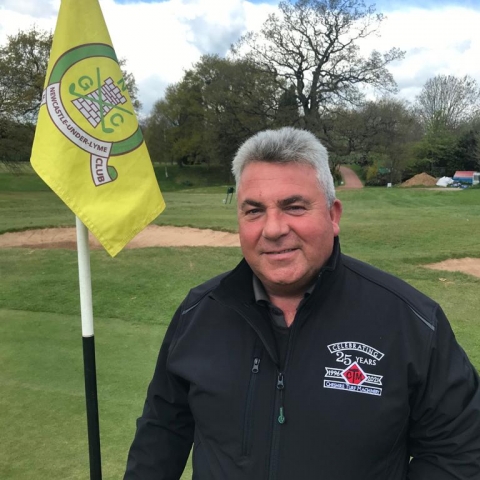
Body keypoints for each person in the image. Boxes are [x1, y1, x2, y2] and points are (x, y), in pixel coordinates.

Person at [123, 127, 480, 479]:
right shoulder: (198, 313)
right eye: (254, 211)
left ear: (333, 215)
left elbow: (458, 451)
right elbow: (160, 435)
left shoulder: (411, 321)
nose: (273, 228)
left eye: (293, 206)